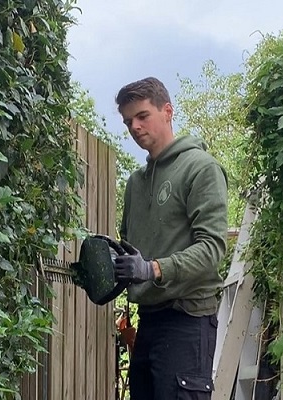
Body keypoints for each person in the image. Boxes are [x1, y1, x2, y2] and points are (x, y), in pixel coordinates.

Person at [113, 77, 228, 400]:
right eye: (127, 121)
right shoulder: (135, 183)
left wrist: (153, 269)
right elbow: (131, 249)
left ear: (167, 111)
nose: (134, 127)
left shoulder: (201, 168)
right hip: (148, 320)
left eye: (142, 116)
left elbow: (212, 249)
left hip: (188, 319)